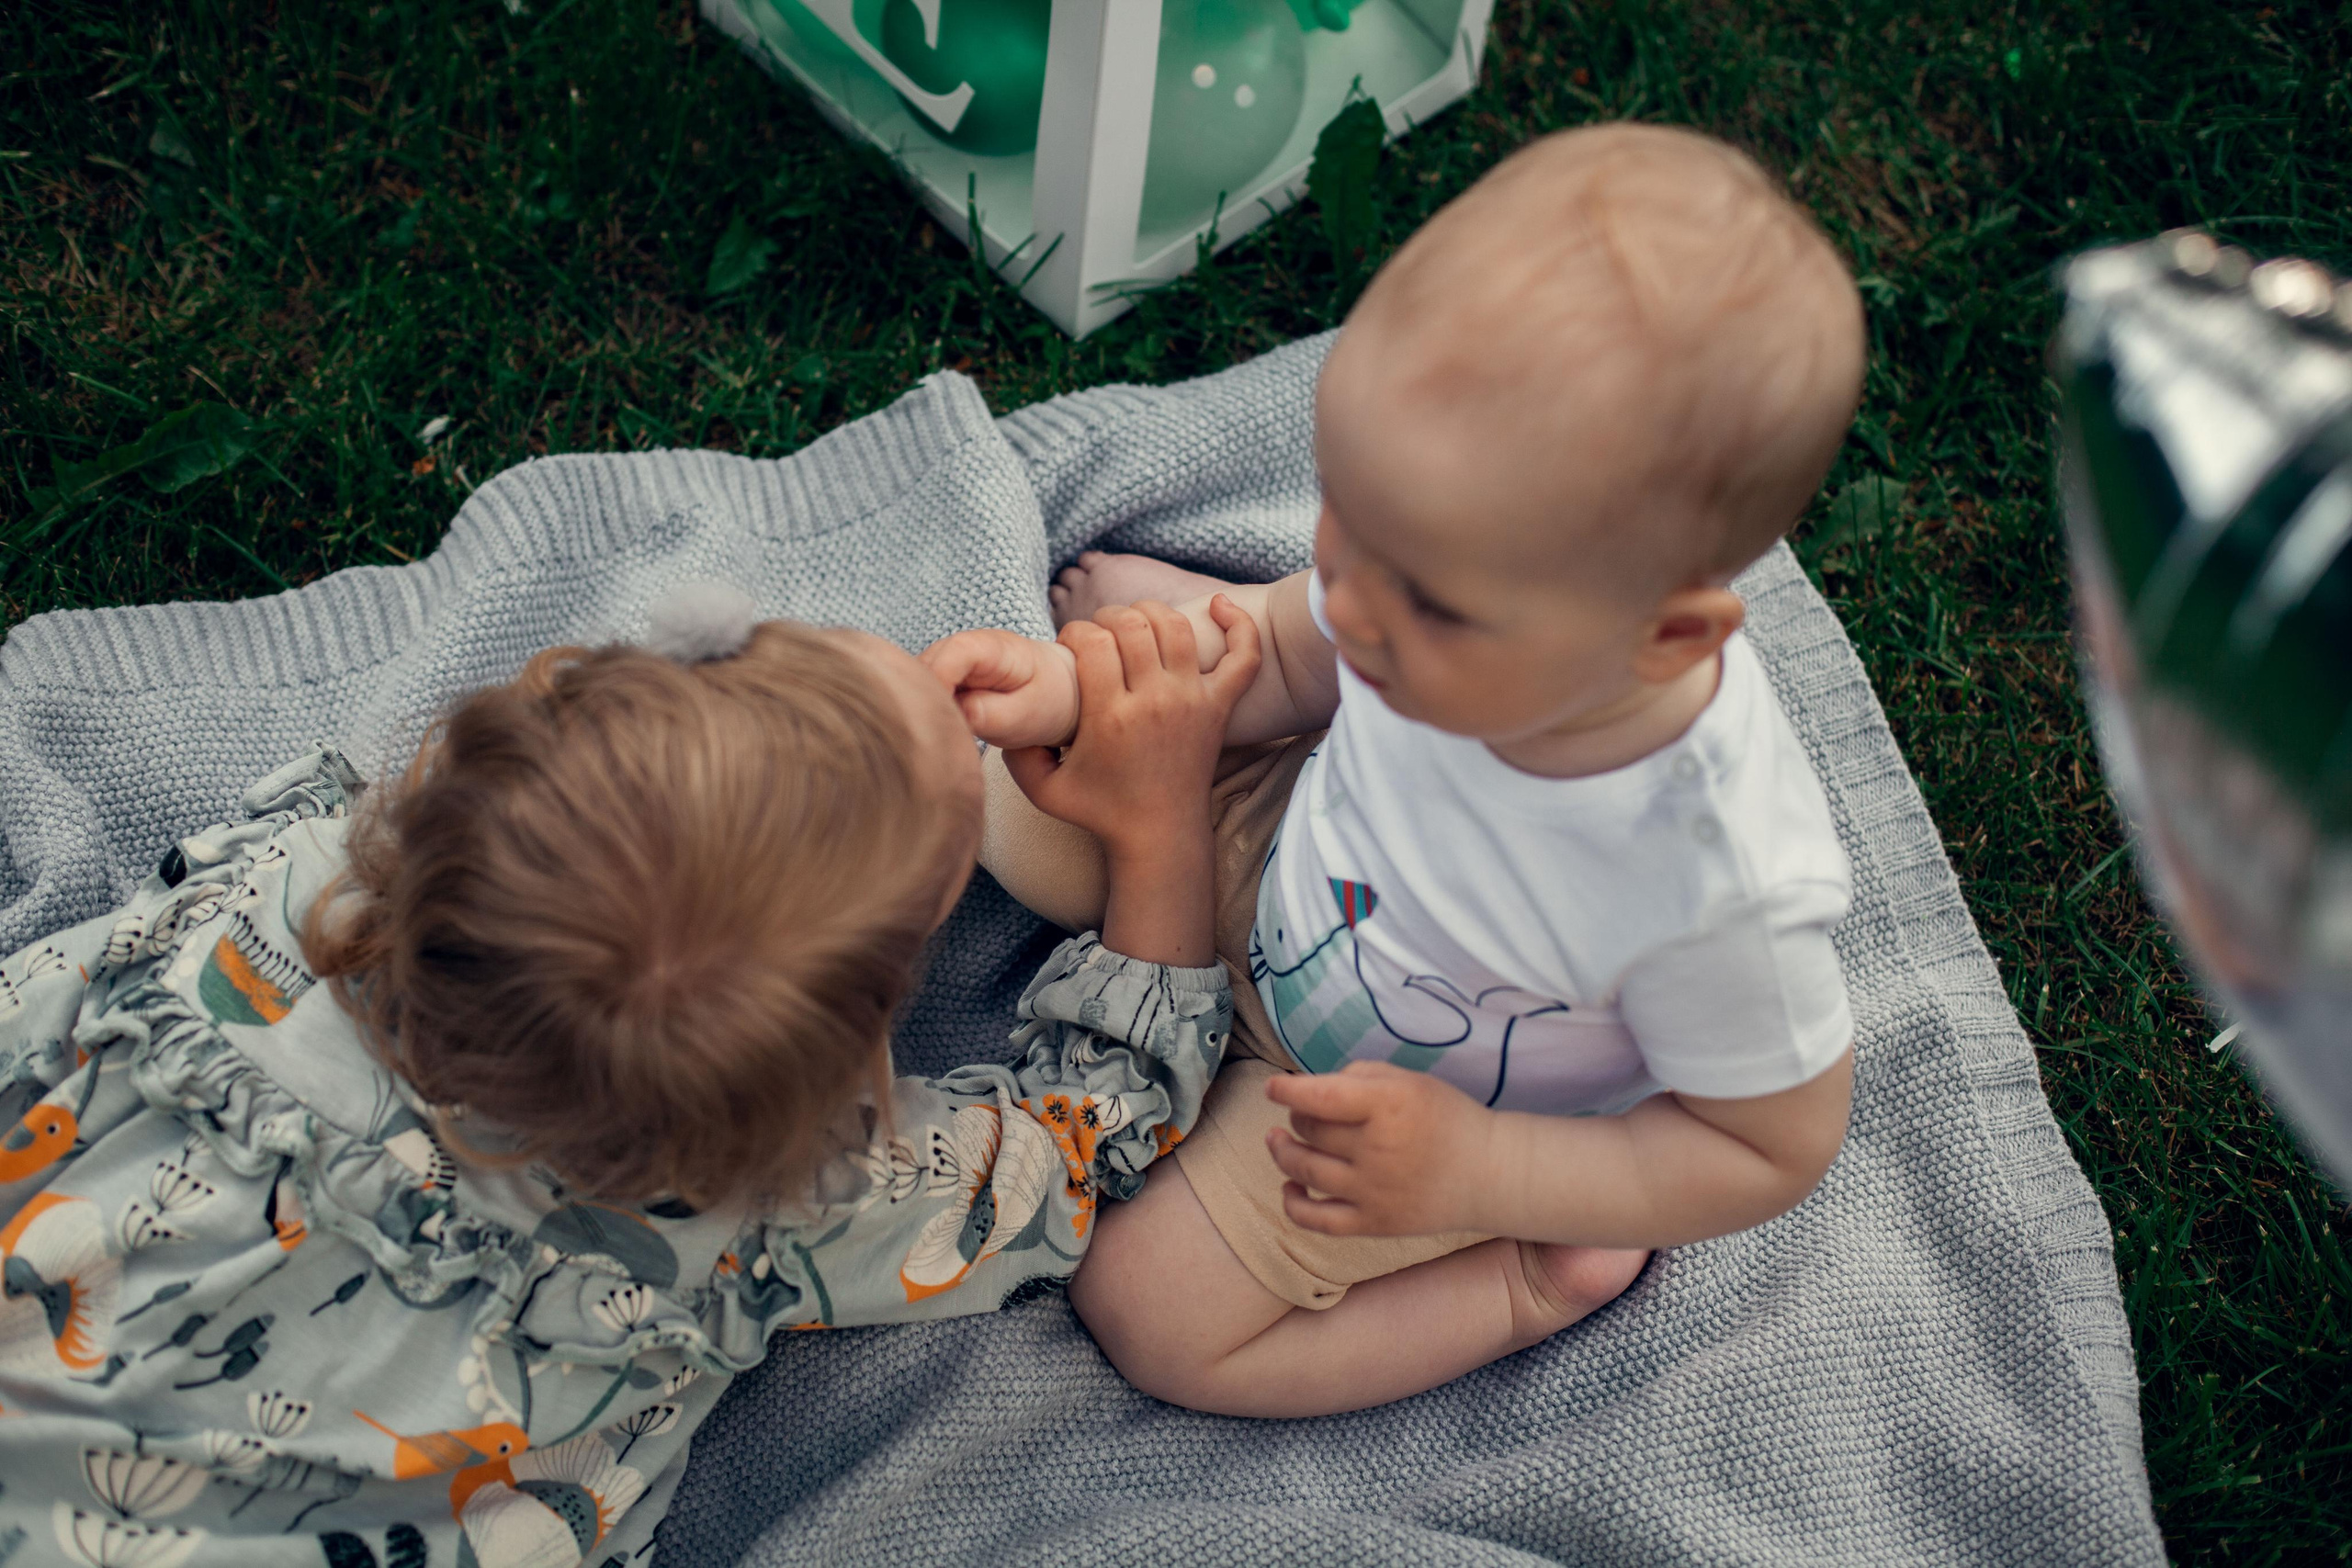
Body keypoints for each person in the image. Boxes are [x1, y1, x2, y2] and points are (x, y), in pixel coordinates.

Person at [0, 585, 1259, 1565]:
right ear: (854, 1050)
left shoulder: (278, 895)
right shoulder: (788, 1204)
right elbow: (1087, 1132)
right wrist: (1159, 823)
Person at [923, 122, 1868, 1416]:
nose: (1349, 601)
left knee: (1148, 1306)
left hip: (1397, 1111)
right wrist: (1075, 694)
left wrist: (1485, 1173)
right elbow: (1286, 648)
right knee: (991, 775)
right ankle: (1158, 675)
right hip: (1276, 849)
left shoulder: (1714, 885)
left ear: (1663, 637)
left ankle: (1525, 1286)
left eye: (1416, 595)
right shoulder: (1427, 576)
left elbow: (1770, 1147)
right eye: (1342, 518)